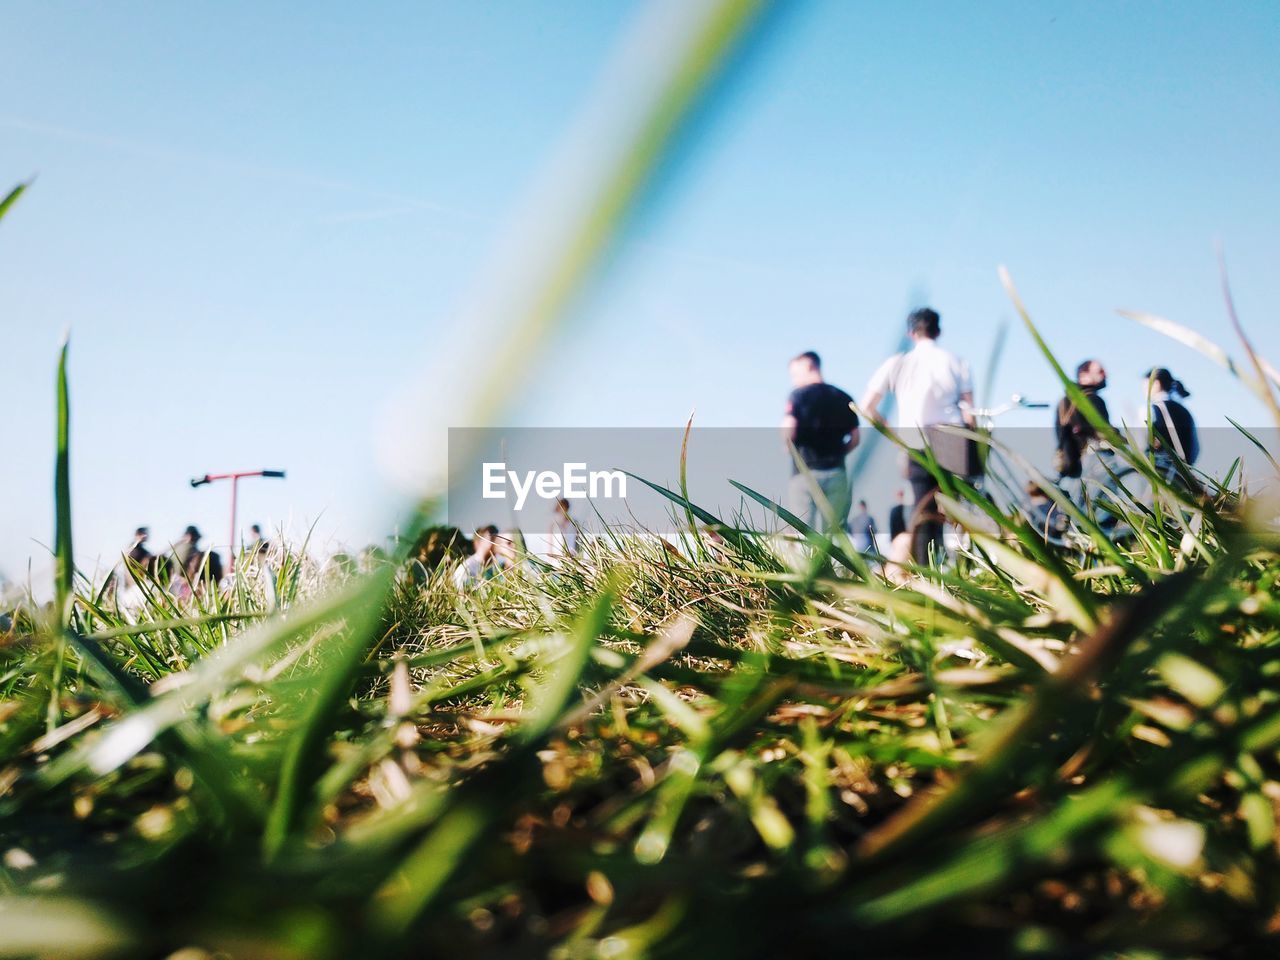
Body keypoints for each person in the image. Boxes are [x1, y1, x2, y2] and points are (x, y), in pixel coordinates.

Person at [861, 307, 974, 565]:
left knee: (923, 512)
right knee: (954, 511)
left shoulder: (898, 363)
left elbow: (867, 406)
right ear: (939, 330)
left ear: (910, 332)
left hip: (916, 441)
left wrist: (892, 435)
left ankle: (927, 576)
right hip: (953, 439)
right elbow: (970, 414)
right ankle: (961, 570)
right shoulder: (957, 362)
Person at [781, 351, 860, 532]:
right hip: (837, 472)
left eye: (795, 374)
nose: (793, 380)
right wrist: (839, 453)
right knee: (834, 532)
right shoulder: (844, 398)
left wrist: (786, 446)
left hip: (804, 472)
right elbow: (855, 438)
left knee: (803, 531)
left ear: (809, 366)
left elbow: (789, 430)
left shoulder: (798, 396)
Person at [1054, 359, 1110, 481]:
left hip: (1071, 465)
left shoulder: (1064, 402)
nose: (1105, 375)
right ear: (1083, 375)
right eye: (1100, 371)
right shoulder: (1093, 399)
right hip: (1096, 460)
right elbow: (1105, 432)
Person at [1144, 367, 1199, 476]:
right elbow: (1196, 447)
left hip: (1163, 469)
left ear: (1156, 384)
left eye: (1146, 387)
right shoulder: (1183, 410)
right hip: (1183, 470)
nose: (1144, 391)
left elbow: (1153, 440)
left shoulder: (1157, 408)